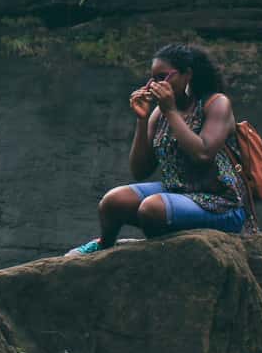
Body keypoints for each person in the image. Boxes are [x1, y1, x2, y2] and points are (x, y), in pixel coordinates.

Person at [71, 43, 251, 254]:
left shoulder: (216, 104)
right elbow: (140, 171)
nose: (152, 85)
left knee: (152, 208)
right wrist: (142, 119)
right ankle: (105, 246)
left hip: (221, 204)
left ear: (187, 75)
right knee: (113, 201)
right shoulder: (159, 113)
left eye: (161, 77)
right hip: (178, 192)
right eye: (152, 78)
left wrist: (171, 111)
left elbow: (203, 154)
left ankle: (159, 252)